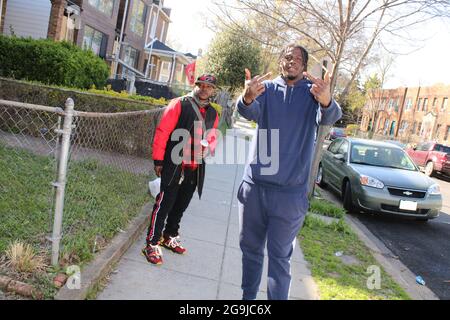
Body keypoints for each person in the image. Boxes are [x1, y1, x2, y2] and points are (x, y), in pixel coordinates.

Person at [236, 44, 342, 299]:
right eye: (287, 57)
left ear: (304, 66)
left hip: (289, 196)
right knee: (250, 251)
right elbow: (247, 110)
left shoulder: (313, 94)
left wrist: (326, 100)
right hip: (255, 189)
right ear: (281, 62)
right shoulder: (267, 89)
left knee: (280, 259)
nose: (291, 61)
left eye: (297, 58)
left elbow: (330, 116)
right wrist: (247, 97)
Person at [142, 74, 219, 265]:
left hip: (195, 166)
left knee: (181, 203)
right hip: (174, 162)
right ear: (196, 86)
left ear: (213, 91)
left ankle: (170, 235)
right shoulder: (179, 104)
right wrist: (159, 159)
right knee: (165, 202)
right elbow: (163, 131)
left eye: (208, 86)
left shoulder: (213, 114)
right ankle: (152, 243)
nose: (204, 89)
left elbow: (212, 138)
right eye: (201, 85)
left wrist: (208, 146)